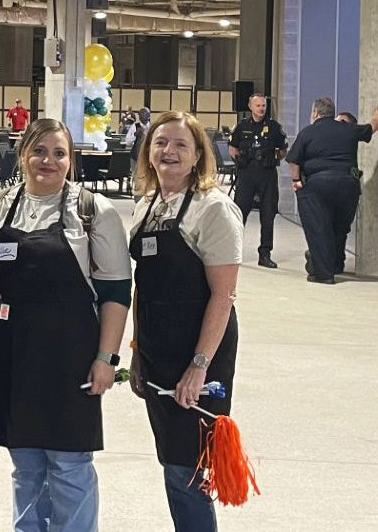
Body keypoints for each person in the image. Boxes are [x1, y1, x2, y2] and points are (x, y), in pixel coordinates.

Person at [0, 119, 131, 532]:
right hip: (10, 357)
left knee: (69, 465)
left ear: (71, 160)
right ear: (23, 154)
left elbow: (116, 292)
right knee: (25, 466)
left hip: (70, 360)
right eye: (40, 151)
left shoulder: (92, 211)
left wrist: (106, 358)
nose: (49, 161)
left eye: (59, 153)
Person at [127, 112, 243, 532]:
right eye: (160, 143)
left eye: (180, 145)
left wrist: (199, 367)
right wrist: (138, 351)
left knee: (187, 469)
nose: (169, 152)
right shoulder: (148, 205)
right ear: (148, 152)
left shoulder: (213, 209)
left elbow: (223, 295)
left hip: (199, 355)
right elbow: (145, 286)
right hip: (158, 352)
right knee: (172, 460)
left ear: (197, 155)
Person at [287, 98, 378, 284]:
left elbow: (294, 161)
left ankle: (323, 274)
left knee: (318, 228)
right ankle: (336, 263)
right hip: (348, 185)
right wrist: (377, 117)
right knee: (339, 228)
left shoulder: (308, 132)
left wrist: (296, 181)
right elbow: (371, 128)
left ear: (315, 113)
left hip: (317, 185)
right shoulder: (347, 129)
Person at [229, 94, 287, 269]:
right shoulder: (242, 127)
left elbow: (283, 150)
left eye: (263, 105)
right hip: (247, 174)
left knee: (267, 215)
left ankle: (265, 254)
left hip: (267, 174)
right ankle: (234, 252)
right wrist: (239, 160)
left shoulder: (274, 127)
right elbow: (233, 148)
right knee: (239, 214)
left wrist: (273, 157)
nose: (262, 108)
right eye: (258, 105)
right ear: (250, 106)